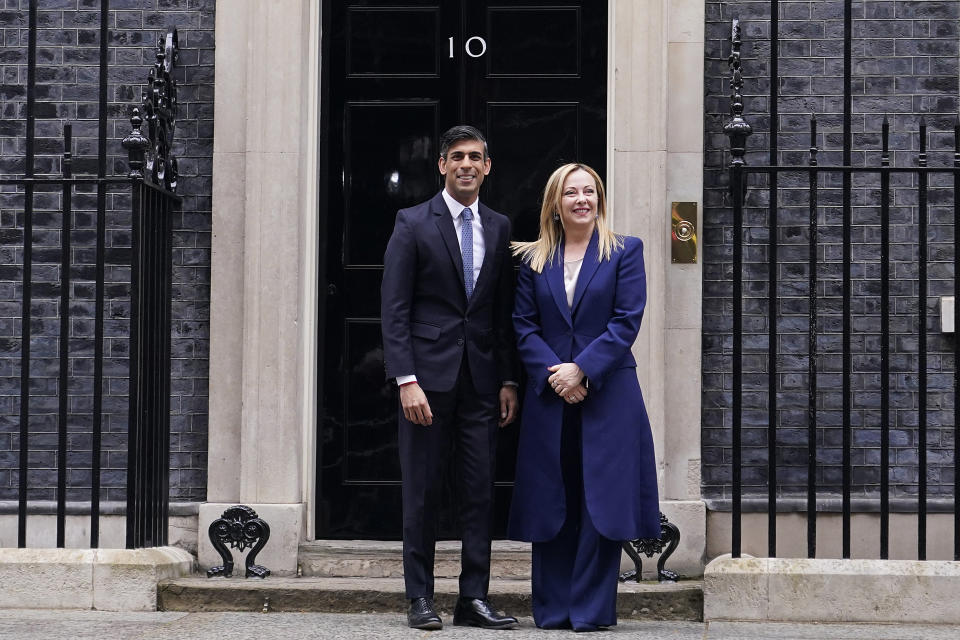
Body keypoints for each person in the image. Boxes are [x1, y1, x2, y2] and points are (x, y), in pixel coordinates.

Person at [507, 163, 660, 631]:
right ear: (555, 203)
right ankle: (552, 611)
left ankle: (592, 612)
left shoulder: (624, 251)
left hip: (610, 395)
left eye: (589, 191)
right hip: (551, 395)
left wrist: (583, 371)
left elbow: (625, 321)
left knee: (601, 502)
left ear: (600, 198)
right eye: (571, 192)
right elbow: (523, 325)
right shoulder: (532, 259)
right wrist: (557, 375)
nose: (581, 200)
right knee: (555, 499)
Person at [381, 125, 520, 631]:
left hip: (481, 384)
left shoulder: (501, 227)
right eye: (457, 156)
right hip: (426, 384)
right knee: (421, 493)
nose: (466, 164)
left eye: (476, 157)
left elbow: (501, 311)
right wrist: (405, 379)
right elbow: (394, 310)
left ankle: (473, 599)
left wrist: (508, 379)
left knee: (479, 492)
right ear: (442, 165)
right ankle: (420, 598)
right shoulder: (413, 222)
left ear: (487, 167)